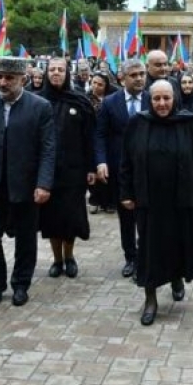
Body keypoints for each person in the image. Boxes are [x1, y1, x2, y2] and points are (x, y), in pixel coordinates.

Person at [120, 80, 193, 326]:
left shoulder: (188, 122)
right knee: (149, 248)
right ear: (150, 100)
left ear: (175, 99)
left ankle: (176, 277)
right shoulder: (138, 123)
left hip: (180, 198)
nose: (161, 104)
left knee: (178, 242)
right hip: (148, 199)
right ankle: (150, 298)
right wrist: (126, 193)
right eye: (156, 99)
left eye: (166, 98)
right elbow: (126, 160)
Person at [0, 57, 55, 307]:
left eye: (9, 78)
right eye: (0, 77)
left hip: (26, 186)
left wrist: (44, 183)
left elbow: (48, 149)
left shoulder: (40, 107)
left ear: (23, 80)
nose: (2, 82)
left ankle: (21, 284)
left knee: (26, 238)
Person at [37, 58, 95, 279]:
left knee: (71, 217)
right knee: (51, 218)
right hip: (47, 171)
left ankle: (69, 257)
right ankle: (57, 259)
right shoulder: (38, 100)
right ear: (46, 73)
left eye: (60, 70)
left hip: (75, 170)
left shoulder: (80, 101)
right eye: (52, 70)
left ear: (67, 73)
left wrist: (91, 167)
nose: (56, 73)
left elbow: (89, 137)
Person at [96, 59, 148, 278]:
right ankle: (131, 257)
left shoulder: (154, 99)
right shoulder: (109, 103)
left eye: (142, 74)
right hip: (120, 170)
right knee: (126, 216)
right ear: (122, 78)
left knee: (147, 216)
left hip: (148, 169)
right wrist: (101, 161)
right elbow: (99, 134)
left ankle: (147, 256)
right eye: (134, 75)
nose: (139, 78)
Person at [86, 72, 116, 214]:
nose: (96, 86)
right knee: (93, 170)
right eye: (94, 83)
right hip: (90, 138)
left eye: (100, 84)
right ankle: (94, 199)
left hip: (107, 138)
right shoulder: (85, 98)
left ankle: (109, 201)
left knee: (107, 169)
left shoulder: (111, 99)